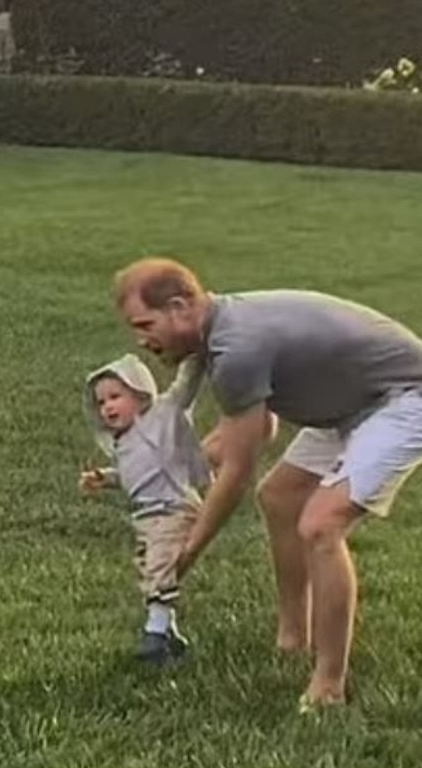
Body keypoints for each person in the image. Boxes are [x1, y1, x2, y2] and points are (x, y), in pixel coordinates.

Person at [113, 256, 422, 710]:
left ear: (180, 306)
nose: (141, 341)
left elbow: (236, 472)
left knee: (321, 523)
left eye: (145, 324)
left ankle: (329, 684)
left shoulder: (236, 348)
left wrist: (183, 556)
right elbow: (253, 430)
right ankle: (293, 636)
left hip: (403, 397)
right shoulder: (220, 333)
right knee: (280, 497)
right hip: (353, 403)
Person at [80, 352, 210, 664]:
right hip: (148, 516)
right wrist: (106, 477)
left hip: (174, 508)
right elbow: (134, 475)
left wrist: (193, 356)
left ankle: (154, 634)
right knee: (149, 570)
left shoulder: (162, 419)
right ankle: (170, 636)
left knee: (160, 566)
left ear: (139, 394)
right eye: (101, 402)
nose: (108, 406)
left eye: (115, 396)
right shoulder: (123, 442)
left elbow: (184, 389)